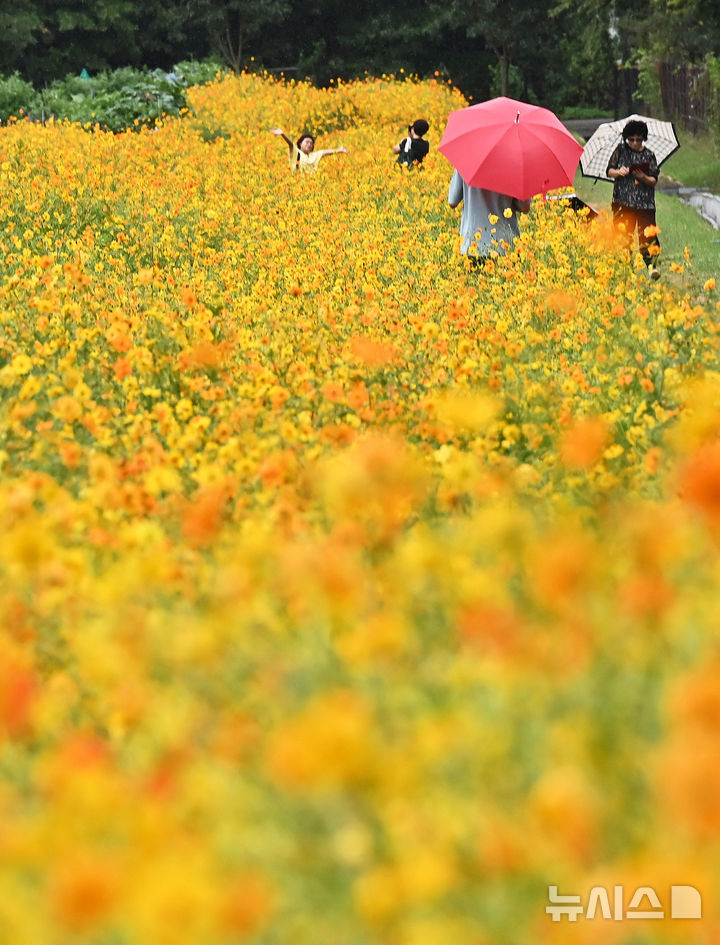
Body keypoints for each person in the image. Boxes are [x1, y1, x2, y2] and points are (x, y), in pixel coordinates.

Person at [606, 119, 661, 280]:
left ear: (643, 138)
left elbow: (654, 180)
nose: (635, 143)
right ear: (626, 139)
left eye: (638, 139)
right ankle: (625, 271)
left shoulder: (649, 155)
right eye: (631, 139)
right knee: (624, 237)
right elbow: (609, 170)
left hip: (644, 204)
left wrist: (643, 176)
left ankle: (652, 267)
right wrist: (619, 172)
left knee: (648, 236)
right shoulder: (620, 151)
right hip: (622, 202)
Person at [448, 169, 531, 264]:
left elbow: (452, 201)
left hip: (472, 246)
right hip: (505, 247)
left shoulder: (466, 161)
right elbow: (525, 207)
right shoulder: (515, 165)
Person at [270, 127, 348, 172]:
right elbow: (290, 144)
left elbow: (326, 152)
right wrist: (282, 134)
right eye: (307, 142)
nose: (309, 144)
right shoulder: (296, 153)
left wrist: (340, 150)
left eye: (311, 143)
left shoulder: (314, 155)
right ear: (300, 143)